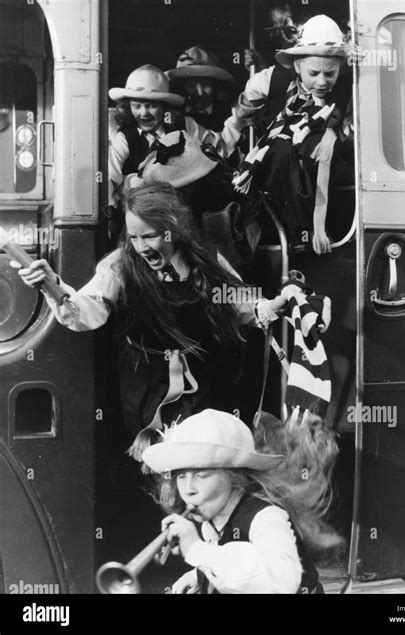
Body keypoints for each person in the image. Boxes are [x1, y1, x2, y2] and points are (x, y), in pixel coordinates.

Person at [11, 182, 288, 459]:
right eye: (133, 237)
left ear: (174, 229)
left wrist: (269, 305)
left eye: (150, 236)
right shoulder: (121, 267)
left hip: (202, 383)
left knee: (197, 459)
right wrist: (53, 288)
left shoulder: (206, 263)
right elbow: (85, 310)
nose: (141, 247)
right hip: (145, 388)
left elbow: (239, 302)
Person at [142, 408, 325, 594]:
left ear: (235, 477)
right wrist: (198, 574)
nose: (188, 489)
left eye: (202, 475)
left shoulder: (267, 517)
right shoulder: (211, 520)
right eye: (181, 476)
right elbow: (232, 558)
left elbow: (282, 582)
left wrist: (197, 549)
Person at [231, 14, 354, 255]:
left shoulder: (345, 95)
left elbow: (348, 127)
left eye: (330, 74)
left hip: (320, 168)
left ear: (339, 69)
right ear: (297, 66)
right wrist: (253, 111)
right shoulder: (272, 79)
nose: (321, 82)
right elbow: (248, 101)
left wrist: (333, 133)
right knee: (283, 148)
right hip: (279, 168)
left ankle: (320, 230)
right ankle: (298, 232)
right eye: (314, 73)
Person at [108, 64, 244, 209]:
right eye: (136, 106)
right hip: (142, 211)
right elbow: (111, 175)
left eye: (151, 106)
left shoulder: (185, 125)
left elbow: (218, 149)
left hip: (182, 209)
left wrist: (236, 122)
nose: (143, 113)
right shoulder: (125, 136)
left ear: (165, 106)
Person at [167, 45, 236, 132]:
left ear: (216, 85)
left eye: (206, 85)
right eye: (191, 86)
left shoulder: (231, 113)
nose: (200, 93)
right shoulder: (175, 118)